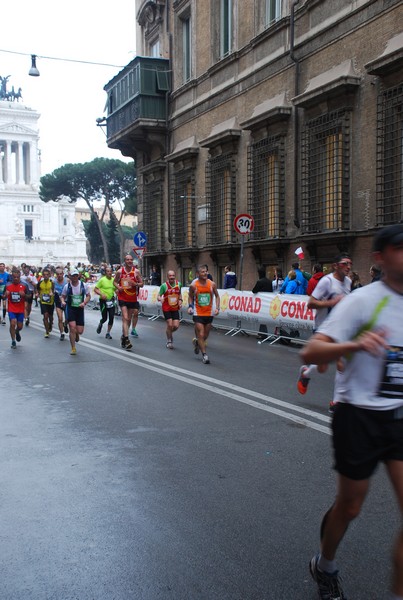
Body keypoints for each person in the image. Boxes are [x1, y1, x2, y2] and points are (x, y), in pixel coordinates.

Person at [301, 223, 403, 600]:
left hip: (398, 415)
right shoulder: (361, 301)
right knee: (352, 505)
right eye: (400, 248)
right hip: (357, 414)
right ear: (380, 257)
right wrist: (357, 345)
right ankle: (324, 565)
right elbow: (310, 352)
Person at [297, 253, 352, 399]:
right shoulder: (326, 282)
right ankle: (305, 373)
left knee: (342, 362)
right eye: (344, 264)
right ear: (335, 266)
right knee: (322, 368)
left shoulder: (348, 282)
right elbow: (311, 303)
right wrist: (330, 303)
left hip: (340, 328)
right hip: (323, 328)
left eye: (349, 264)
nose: (348, 267)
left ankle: (336, 402)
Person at [188, 264, 220, 364]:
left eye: (206, 271)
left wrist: (218, 308)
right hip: (198, 313)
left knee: (205, 336)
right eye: (202, 272)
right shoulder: (193, 285)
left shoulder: (212, 284)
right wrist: (190, 306)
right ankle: (205, 355)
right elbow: (190, 297)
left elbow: (217, 296)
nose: (205, 273)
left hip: (209, 313)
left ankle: (197, 343)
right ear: (198, 274)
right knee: (201, 334)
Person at [114, 255, 143, 350]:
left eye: (131, 260)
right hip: (122, 297)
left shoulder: (136, 272)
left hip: (132, 298)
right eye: (127, 260)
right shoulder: (120, 271)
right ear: (125, 261)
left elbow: (142, 284)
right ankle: (127, 339)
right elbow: (114, 282)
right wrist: (119, 288)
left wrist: (136, 284)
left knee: (129, 319)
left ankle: (123, 336)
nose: (130, 261)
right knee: (125, 318)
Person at [61, 269, 91, 355]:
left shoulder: (83, 285)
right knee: (72, 327)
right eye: (73, 276)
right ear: (70, 276)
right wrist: (63, 301)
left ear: (78, 276)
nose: (74, 277)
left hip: (80, 309)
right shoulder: (67, 286)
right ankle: (73, 348)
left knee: (80, 331)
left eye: (76, 275)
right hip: (71, 308)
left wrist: (84, 302)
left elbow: (88, 296)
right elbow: (62, 296)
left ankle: (77, 334)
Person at [157, 270, 183, 349]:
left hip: (175, 308)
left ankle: (168, 332)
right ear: (167, 277)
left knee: (176, 326)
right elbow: (158, 295)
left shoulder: (179, 284)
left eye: (173, 276)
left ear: (175, 276)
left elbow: (179, 294)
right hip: (166, 308)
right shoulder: (164, 286)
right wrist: (160, 299)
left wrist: (180, 301)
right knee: (170, 324)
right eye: (170, 276)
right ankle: (169, 340)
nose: (172, 277)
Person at [5, 268, 29, 349]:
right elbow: (3, 296)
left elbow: (29, 296)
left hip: (20, 309)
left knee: (20, 326)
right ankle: (13, 341)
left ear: (20, 277)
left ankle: (17, 331)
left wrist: (24, 295)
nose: (16, 279)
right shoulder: (8, 285)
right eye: (14, 277)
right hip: (11, 308)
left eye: (17, 277)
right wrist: (5, 294)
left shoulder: (24, 285)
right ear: (12, 277)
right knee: (12, 323)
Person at [94, 266, 116, 339]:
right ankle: (101, 323)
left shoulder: (114, 280)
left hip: (111, 301)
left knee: (111, 317)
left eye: (110, 271)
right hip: (103, 301)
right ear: (105, 272)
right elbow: (95, 289)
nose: (109, 273)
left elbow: (116, 290)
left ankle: (108, 333)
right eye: (108, 271)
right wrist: (101, 294)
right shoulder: (102, 280)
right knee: (105, 318)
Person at [252, 266, 273, 340]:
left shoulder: (260, 281)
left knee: (262, 318)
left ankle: (263, 334)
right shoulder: (269, 281)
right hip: (268, 302)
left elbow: (254, 290)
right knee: (263, 318)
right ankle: (262, 333)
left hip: (261, 303)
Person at [37, 267, 55, 338]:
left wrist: (52, 293)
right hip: (43, 302)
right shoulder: (40, 283)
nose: (46, 276)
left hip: (50, 302)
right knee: (45, 316)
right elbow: (37, 290)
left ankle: (50, 324)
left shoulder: (52, 283)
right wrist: (37, 294)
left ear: (49, 275)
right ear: (43, 276)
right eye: (44, 275)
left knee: (50, 317)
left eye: (47, 274)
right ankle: (47, 331)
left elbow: (53, 291)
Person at [53, 267, 69, 341]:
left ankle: (65, 325)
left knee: (67, 318)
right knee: (60, 318)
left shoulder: (67, 281)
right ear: (56, 275)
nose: (59, 275)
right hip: (58, 302)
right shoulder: (54, 282)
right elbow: (52, 290)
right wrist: (51, 293)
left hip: (66, 301)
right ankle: (62, 333)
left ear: (63, 274)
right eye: (58, 274)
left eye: (60, 274)